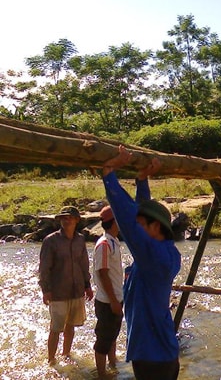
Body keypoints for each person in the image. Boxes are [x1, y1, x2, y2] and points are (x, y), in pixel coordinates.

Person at [102, 146, 181, 380]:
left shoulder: (155, 256)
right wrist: (142, 180)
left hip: (153, 356)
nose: (138, 228)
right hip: (157, 352)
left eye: (143, 224)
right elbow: (141, 214)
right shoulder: (160, 251)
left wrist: (109, 174)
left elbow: (128, 218)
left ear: (156, 228)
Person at [38, 206, 94, 364]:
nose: (66, 220)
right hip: (57, 292)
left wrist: (87, 285)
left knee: (71, 325)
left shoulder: (80, 239)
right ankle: (51, 360)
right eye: (63, 218)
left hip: (77, 290)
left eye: (70, 217)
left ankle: (66, 354)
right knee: (55, 328)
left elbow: (84, 264)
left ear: (77, 220)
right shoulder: (51, 241)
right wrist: (45, 290)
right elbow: (44, 268)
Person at [93, 205, 123, 378]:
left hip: (115, 298)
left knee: (112, 335)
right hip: (107, 301)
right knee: (103, 339)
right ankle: (102, 374)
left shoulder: (113, 241)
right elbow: (102, 273)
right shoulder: (104, 244)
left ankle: (113, 365)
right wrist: (113, 301)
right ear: (114, 222)